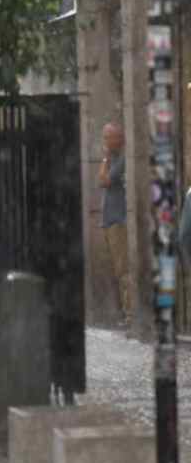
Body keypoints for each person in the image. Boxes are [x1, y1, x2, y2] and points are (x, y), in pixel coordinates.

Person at [98, 122, 131, 327]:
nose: (105, 142)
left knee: (123, 269)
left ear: (118, 139)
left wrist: (104, 159)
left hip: (118, 221)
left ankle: (130, 314)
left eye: (108, 137)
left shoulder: (123, 160)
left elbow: (104, 181)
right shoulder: (114, 160)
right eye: (104, 137)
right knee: (118, 271)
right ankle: (125, 312)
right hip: (110, 220)